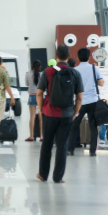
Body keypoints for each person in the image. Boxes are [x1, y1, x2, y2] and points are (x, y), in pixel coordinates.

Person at [36, 45, 83, 183]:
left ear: (56, 56)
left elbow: (39, 93)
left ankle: (43, 175)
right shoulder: (75, 73)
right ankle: (58, 177)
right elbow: (79, 97)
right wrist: (75, 113)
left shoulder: (48, 71)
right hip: (67, 114)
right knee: (62, 145)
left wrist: (40, 109)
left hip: (49, 113)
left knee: (47, 144)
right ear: (69, 56)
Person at [67, 48, 105, 156]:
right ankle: (93, 151)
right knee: (93, 126)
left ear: (78, 58)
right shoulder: (94, 68)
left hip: (79, 102)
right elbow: (101, 83)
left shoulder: (75, 70)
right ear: (89, 57)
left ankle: (70, 149)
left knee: (74, 126)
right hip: (93, 101)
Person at [25, 60, 42, 142]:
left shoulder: (28, 74)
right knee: (41, 116)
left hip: (32, 95)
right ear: (40, 67)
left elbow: (26, 84)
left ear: (32, 66)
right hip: (40, 96)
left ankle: (31, 136)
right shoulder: (42, 74)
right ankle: (42, 136)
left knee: (32, 116)